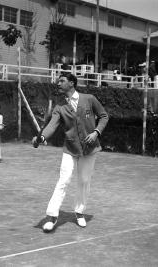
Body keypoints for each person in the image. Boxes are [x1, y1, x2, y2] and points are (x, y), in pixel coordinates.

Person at [32, 73, 109, 232]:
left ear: (72, 83)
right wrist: (41, 138)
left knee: (84, 180)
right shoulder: (59, 107)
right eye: (58, 81)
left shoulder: (89, 98)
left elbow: (103, 116)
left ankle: (79, 212)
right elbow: (52, 125)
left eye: (62, 81)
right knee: (64, 179)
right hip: (70, 149)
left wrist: (96, 132)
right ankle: (52, 217)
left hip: (90, 148)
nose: (58, 83)